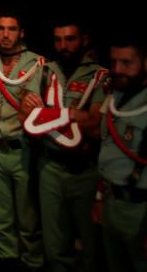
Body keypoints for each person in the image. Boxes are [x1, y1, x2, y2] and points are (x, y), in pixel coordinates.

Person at [20, 19, 107, 272]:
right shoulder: (46, 71)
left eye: (70, 39)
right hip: (50, 168)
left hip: (86, 171)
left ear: (84, 40)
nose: (63, 45)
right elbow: (25, 119)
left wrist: (48, 113)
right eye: (58, 40)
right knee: (55, 245)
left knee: (92, 244)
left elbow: (94, 126)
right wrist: (72, 114)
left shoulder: (99, 75)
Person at [0, 12, 44, 271]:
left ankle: (32, 263)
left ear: (22, 33)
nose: (5, 35)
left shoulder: (37, 64)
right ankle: (7, 262)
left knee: (28, 218)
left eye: (12, 29)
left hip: (23, 148)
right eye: (1, 29)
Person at [93, 39, 147, 272]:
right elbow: (106, 149)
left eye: (127, 63)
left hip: (140, 210)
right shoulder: (115, 96)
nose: (117, 70)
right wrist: (99, 197)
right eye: (114, 62)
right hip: (112, 202)